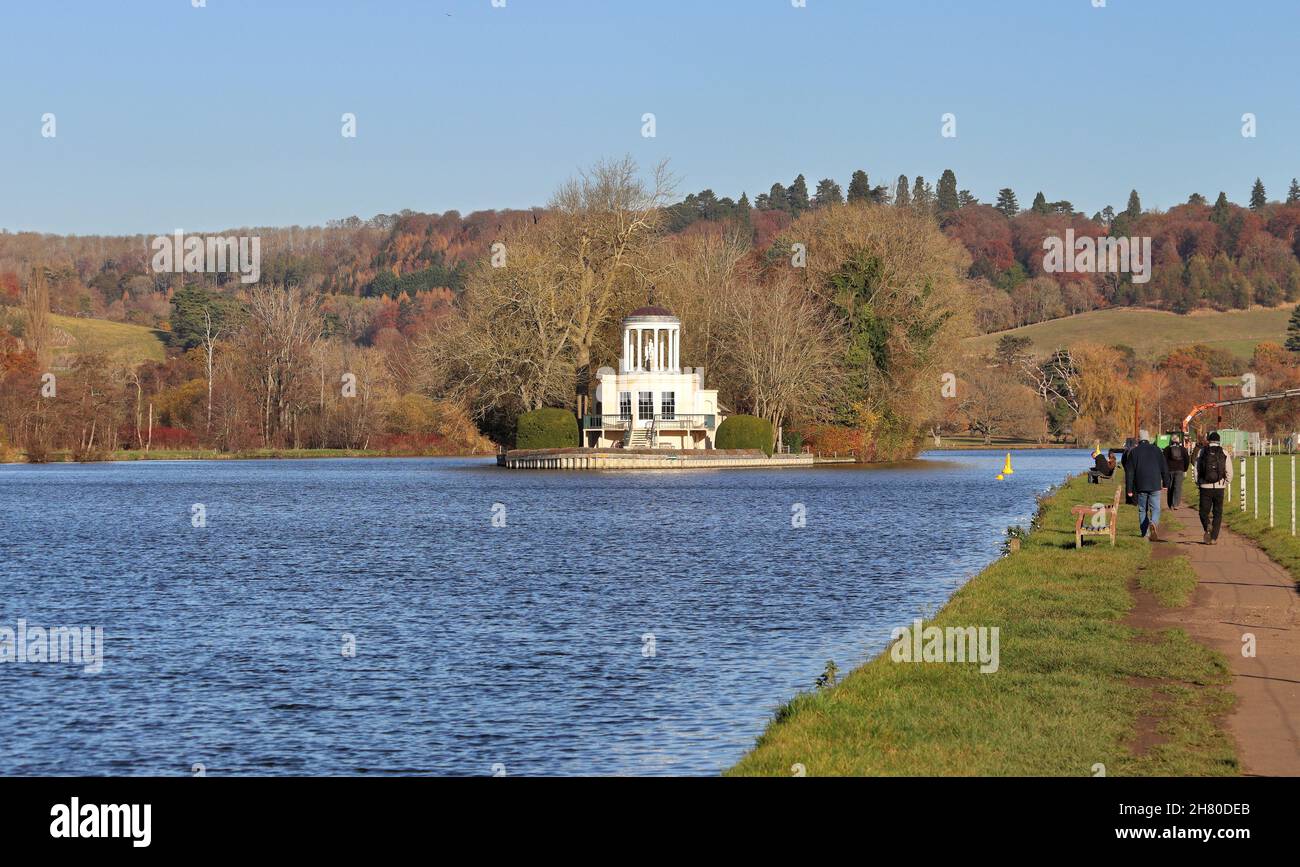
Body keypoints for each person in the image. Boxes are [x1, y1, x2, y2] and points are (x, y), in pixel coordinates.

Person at [1125, 429, 1170, 540]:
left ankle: (1145, 533)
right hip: (1155, 483)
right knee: (1155, 508)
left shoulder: (1134, 452)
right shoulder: (1157, 450)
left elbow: (1129, 472)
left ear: (1139, 439)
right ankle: (1153, 522)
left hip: (1140, 485)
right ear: (1148, 438)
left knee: (1142, 509)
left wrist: (1129, 490)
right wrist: (1166, 483)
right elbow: (1164, 468)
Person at [1196, 431, 1233, 545]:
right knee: (1218, 512)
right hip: (1219, 487)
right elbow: (1229, 472)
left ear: (1209, 440)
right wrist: (1225, 483)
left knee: (1203, 511)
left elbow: (1196, 469)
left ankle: (1207, 524)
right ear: (1218, 441)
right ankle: (1213, 538)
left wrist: (1198, 482)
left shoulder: (1202, 452)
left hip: (1204, 487)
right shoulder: (1224, 452)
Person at [1163, 433, 1191, 509]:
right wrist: (1185, 469)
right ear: (1178, 440)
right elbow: (1187, 460)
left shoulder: (1167, 449)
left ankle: (1170, 503)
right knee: (1177, 487)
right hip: (1180, 470)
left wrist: (1164, 471)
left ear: (1171, 440)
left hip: (1170, 470)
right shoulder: (1183, 449)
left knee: (1170, 487)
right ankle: (1175, 504)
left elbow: (1163, 461)